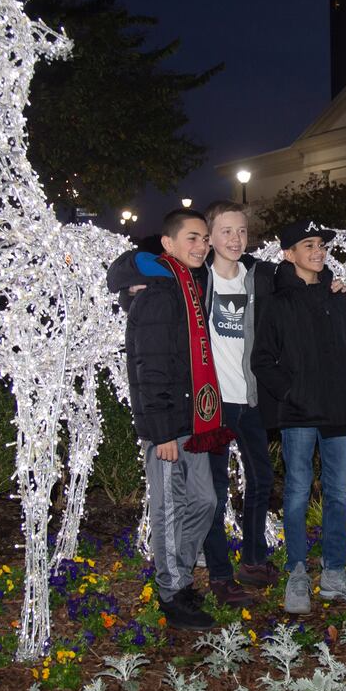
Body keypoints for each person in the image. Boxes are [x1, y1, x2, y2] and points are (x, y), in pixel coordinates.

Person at [106, 208, 234, 630]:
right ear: (168, 244)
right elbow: (149, 366)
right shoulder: (161, 292)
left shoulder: (186, 285)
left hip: (194, 419)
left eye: (203, 239)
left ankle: (175, 573)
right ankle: (172, 592)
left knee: (205, 500)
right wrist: (160, 432)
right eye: (192, 238)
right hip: (168, 425)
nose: (201, 246)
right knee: (169, 509)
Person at [251, 220, 346, 614]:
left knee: (337, 492)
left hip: (338, 413)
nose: (319, 251)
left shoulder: (340, 297)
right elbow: (262, 360)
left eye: (321, 244)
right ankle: (298, 573)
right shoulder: (277, 302)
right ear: (289, 253)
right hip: (299, 415)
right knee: (297, 493)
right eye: (309, 245)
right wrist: (292, 393)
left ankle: (334, 573)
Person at [199, 200, 278, 603]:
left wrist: (331, 279)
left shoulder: (260, 276)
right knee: (214, 492)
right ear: (210, 235)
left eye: (242, 231)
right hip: (212, 405)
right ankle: (219, 576)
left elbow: (303, 275)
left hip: (249, 400)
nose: (236, 239)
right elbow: (133, 267)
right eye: (227, 231)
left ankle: (252, 560)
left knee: (261, 479)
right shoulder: (196, 278)